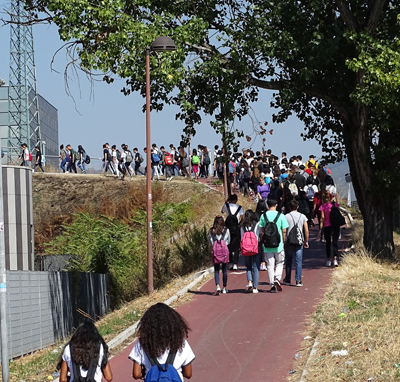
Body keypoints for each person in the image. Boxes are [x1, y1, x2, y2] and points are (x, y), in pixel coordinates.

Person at [130, 303, 195, 381]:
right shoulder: (180, 342)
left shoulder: (142, 343)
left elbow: (136, 374)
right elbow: (188, 374)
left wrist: (145, 372)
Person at [259, 198, 289, 293]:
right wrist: (283, 241)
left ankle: (272, 285)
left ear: (267, 205)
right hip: (278, 244)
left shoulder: (263, 216)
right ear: (276, 205)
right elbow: (284, 230)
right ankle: (277, 278)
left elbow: (262, 230)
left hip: (267, 245)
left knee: (270, 265)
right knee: (280, 262)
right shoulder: (280, 216)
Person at [283, 200, 309, 287]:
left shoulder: (286, 216)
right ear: (297, 207)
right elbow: (306, 230)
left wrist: (283, 241)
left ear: (289, 207)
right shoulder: (302, 216)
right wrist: (306, 241)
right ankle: (298, 280)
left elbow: (284, 230)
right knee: (298, 260)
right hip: (299, 241)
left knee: (288, 260)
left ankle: (287, 279)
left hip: (289, 241)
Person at [221, 194, 244, 270]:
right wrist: (239, 225)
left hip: (227, 228)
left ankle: (230, 262)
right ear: (236, 200)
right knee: (236, 246)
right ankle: (235, 263)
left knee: (228, 244)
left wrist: (226, 201)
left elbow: (222, 211)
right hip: (236, 228)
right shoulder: (240, 207)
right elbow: (242, 218)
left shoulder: (226, 206)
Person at [209, 215, 231, 295]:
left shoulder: (212, 230)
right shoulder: (226, 230)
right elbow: (228, 241)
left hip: (215, 252)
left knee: (216, 270)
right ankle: (224, 288)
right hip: (224, 252)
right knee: (225, 270)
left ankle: (218, 286)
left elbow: (211, 241)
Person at [241, 210, 261, 293]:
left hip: (246, 248)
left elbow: (242, 238)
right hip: (255, 247)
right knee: (256, 267)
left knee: (248, 266)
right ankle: (255, 287)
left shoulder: (242, 226)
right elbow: (259, 236)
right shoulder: (257, 224)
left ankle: (249, 282)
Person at [318, 193, 340, 267]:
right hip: (335, 225)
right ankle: (335, 259)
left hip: (327, 226)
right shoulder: (335, 205)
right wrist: (336, 198)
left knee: (328, 243)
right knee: (335, 242)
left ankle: (328, 260)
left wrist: (320, 228)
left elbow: (322, 218)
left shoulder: (322, 207)